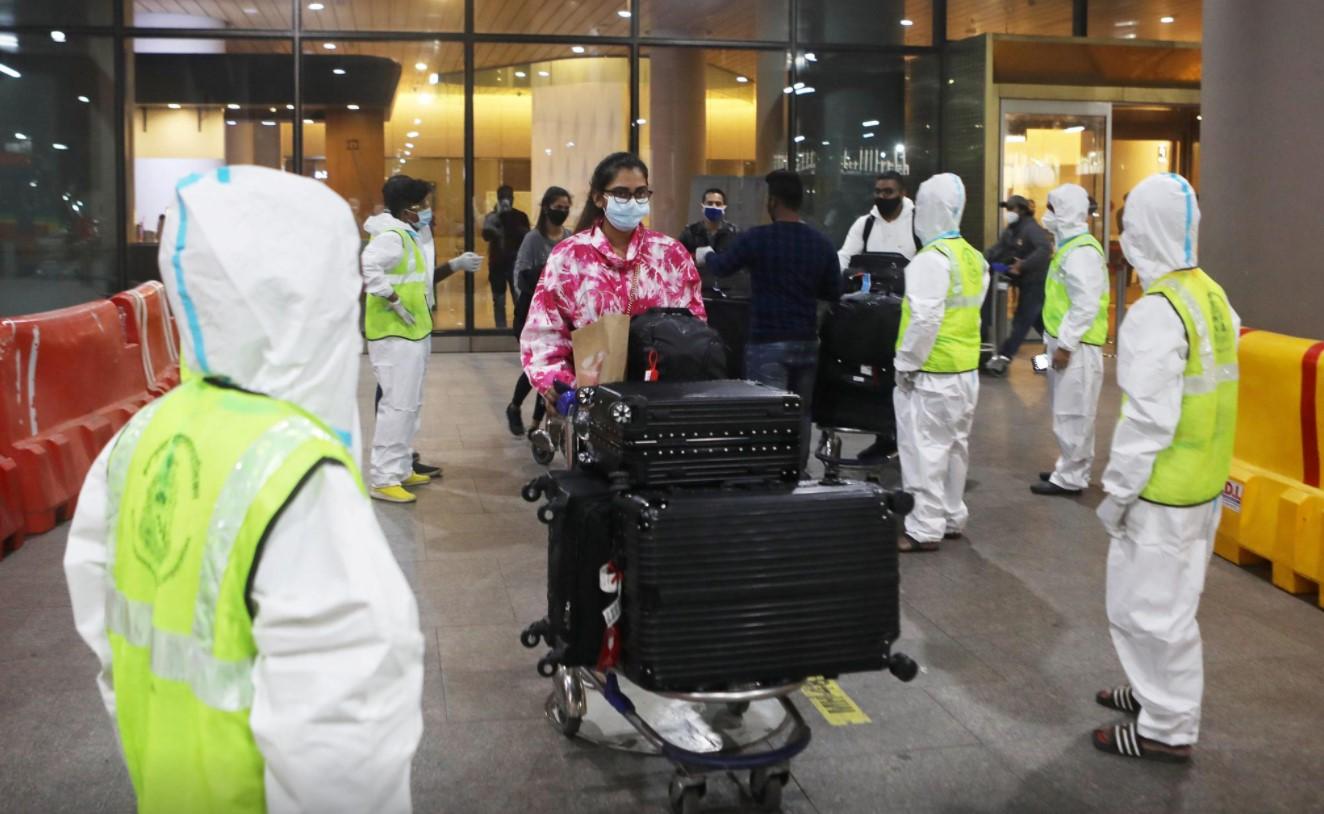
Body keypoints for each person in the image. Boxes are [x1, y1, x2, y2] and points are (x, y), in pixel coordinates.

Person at [64, 165, 425, 813]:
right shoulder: (299, 478)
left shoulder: (138, 438)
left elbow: (107, 639)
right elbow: (346, 743)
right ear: (306, 294)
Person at [1092, 173, 1239, 764]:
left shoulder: (1155, 312)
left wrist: (1118, 492)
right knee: (1170, 604)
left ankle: (1166, 728)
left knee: (1147, 612)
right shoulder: (1211, 295)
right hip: (1202, 486)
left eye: (1129, 224)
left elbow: (1147, 420)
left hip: (1161, 490)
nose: (1123, 236)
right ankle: (1152, 692)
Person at [521, 151, 705, 406]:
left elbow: (695, 325)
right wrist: (561, 387)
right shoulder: (570, 257)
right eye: (621, 193)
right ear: (599, 197)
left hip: (663, 401)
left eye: (640, 193)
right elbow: (543, 335)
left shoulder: (670, 254)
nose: (632, 202)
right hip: (592, 402)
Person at [696, 169, 842, 472]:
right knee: (801, 412)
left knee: (768, 412)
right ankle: (796, 471)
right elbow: (833, 291)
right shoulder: (821, 243)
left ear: (773, 201)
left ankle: (769, 473)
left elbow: (722, 267)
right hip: (806, 341)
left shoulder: (758, 238)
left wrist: (705, 255)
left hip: (767, 341)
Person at [362, 175, 482, 503]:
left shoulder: (408, 233)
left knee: (410, 405)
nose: (428, 210)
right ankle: (383, 478)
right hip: (394, 332)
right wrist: (393, 300)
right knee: (396, 404)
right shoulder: (391, 236)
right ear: (407, 210)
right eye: (423, 205)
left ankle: (400, 468)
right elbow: (369, 268)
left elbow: (419, 276)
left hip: (413, 330)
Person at [892, 173, 989, 552]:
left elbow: (925, 319)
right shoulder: (972, 255)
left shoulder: (930, 260)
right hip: (965, 371)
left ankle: (923, 527)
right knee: (954, 449)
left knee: (924, 450)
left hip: (932, 373)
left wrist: (906, 363)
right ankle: (950, 516)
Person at [1032, 184, 1111, 497]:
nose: (1047, 214)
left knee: (1073, 414)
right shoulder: (1070, 247)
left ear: (1064, 212)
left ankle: (1071, 478)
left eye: (1051, 208)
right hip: (1066, 344)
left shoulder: (1080, 253)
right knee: (1068, 411)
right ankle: (1069, 467)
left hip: (1077, 347)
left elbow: (1085, 304)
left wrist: (1065, 345)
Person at [506, 185, 573, 437]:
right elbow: (520, 275)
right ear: (546, 208)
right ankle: (514, 407)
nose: (563, 212)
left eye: (566, 208)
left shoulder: (569, 237)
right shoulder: (533, 239)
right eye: (558, 208)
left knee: (555, 371)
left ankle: (536, 425)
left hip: (559, 314)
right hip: (531, 313)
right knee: (536, 368)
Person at [983, 194, 1053, 375]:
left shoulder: (1031, 229)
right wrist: (982, 260)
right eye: (1007, 209)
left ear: (1021, 210)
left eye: (1011, 209)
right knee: (1039, 322)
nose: (1009, 213)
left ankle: (1004, 359)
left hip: (1036, 282)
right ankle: (1057, 351)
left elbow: (1045, 249)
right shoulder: (1012, 230)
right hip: (1025, 282)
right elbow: (999, 248)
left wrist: (1023, 264)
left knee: (1021, 320)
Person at [835, 171, 917, 270]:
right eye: (878, 192)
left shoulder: (918, 224)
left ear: (902, 193)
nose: (881, 196)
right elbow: (845, 258)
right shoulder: (864, 224)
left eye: (888, 192)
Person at [482, 184, 531, 329]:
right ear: (498, 199)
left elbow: (526, 237)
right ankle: (500, 330)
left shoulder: (520, 216)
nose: (506, 201)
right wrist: (497, 217)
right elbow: (486, 235)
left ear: (513, 198)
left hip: (515, 264)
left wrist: (511, 220)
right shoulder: (491, 217)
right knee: (498, 301)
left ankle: (521, 329)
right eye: (503, 198)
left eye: (509, 197)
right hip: (497, 264)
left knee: (519, 299)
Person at [679, 187, 740, 256]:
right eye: (710, 203)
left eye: (718, 204)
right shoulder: (690, 232)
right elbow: (679, 257)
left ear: (724, 207)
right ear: (702, 206)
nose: (714, 206)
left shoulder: (734, 233)